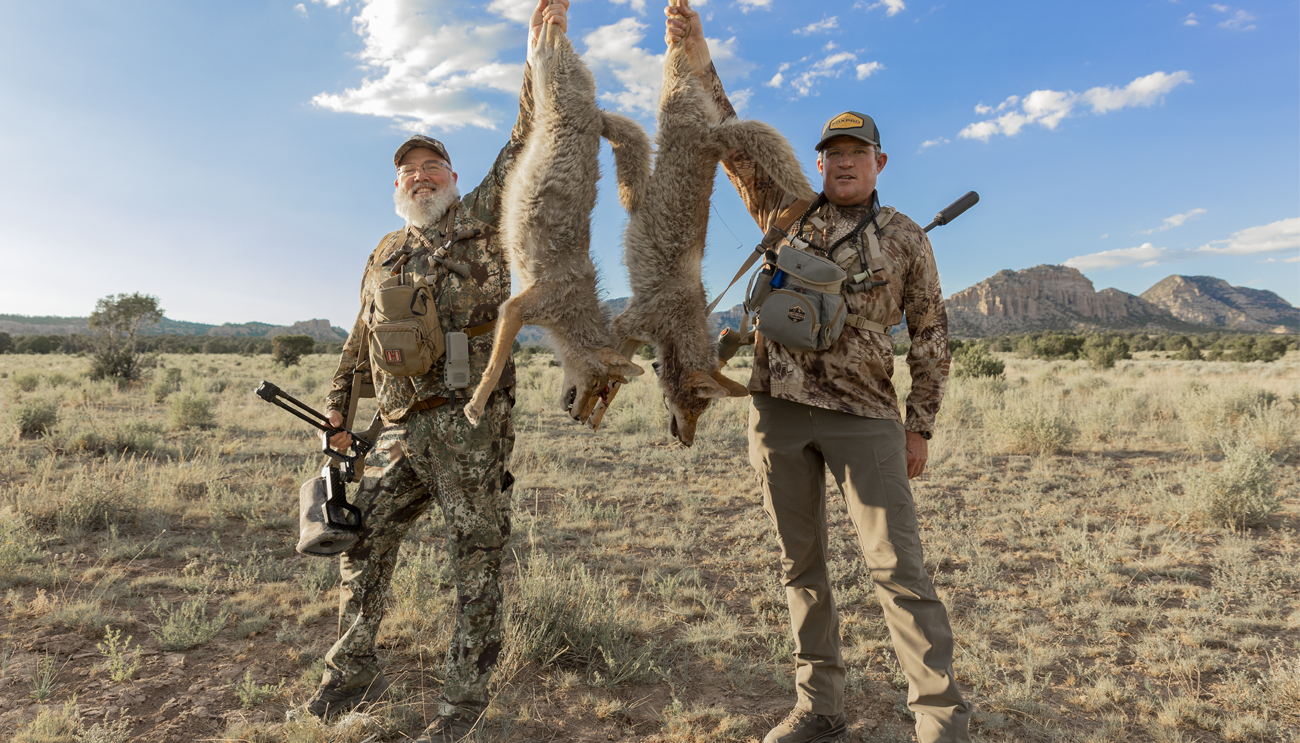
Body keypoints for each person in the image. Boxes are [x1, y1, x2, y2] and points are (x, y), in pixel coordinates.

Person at [663, 3, 971, 742]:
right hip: (776, 412)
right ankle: (819, 705)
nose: (842, 162)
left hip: (867, 421)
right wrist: (698, 56)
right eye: (832, 152)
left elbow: (931, 334)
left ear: (879, 161)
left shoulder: (904, 239)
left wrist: (919, 424)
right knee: (801, 567)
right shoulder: (788, 210)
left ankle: (939, 720)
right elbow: (733, 139)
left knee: (899, 571)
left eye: (855, 152)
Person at [293, 2, 569, 741]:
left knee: (474, 557)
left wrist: (538, 49)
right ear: (396, 189)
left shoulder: (482, 216)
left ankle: (462, 702)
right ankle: (348, 673)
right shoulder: (383, 251)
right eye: (407, 172)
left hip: (471, 422)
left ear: (451, 174)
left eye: (430, 166)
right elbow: (358, 346)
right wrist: (337, 420)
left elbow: (526, 136)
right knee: (361, 541)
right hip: (397, 431)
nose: (419, 177)